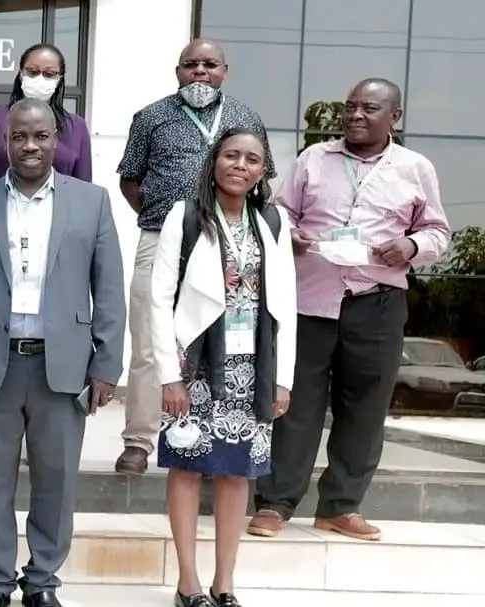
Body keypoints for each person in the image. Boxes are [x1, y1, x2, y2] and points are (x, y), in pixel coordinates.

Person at [0, 98, 124, 607]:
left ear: (57, 141)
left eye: (41, 136)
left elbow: (109, 292)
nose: (30, 146)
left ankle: (42, 581)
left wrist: (106, 365)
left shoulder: (92, 202)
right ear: (5, 141)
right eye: (19, 136)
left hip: (62, 368)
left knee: (56, 483)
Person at [251, 78, 451, 542]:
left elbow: (438, 231)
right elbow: (280, 211)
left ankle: (340, 507)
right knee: (295, 405)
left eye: (369, 108)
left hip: (377, 303)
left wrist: (411, 246)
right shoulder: (313, 159)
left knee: (365, 408)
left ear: (395, 117)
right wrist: (289, 234)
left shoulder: (415, 168)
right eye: (351, 106)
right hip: (310, 301)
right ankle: (276, 504)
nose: (356, 115)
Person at [150, 128, 296, 607]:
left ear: (262, 171)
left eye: (252, 159)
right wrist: (169, 375)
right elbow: (159, 299)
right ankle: (188, 583)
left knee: (238, 472)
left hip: (252, 368)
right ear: (214, 161)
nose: (240, 165)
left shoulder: (272, 220)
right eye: (231, 155)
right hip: (195, 365)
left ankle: (224, 583)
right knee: (187, 468)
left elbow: (286, 306)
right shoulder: (185, 215)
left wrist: (282, 379)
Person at [114, 38, 274, 476]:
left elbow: (262, 182)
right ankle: (138, 440)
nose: (200, 71)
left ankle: (210, 440)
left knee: (222, 339)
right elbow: (131, 180)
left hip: (227, 245)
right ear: (178, 70)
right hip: (160, 240)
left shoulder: (246, 118)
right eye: (191, 64)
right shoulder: (150, 117)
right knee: (149, 341)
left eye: (209, 64)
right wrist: (167, 220)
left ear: (225, 70)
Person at [0, 43, 90, 187]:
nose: (39, 79)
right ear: (21, 74)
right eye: (33, 72)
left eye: (49, 74)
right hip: (2, 201)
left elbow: (84, 188)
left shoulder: (77, 127)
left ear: (59, 79)